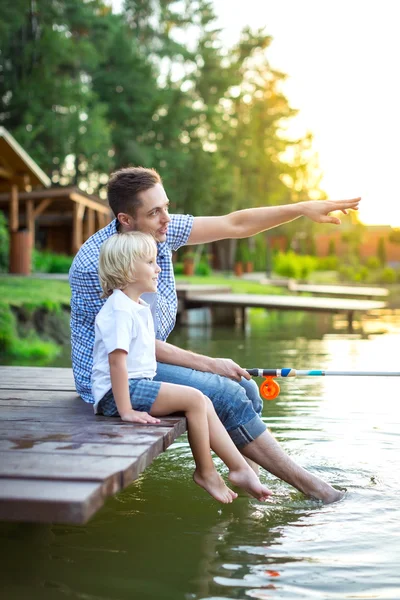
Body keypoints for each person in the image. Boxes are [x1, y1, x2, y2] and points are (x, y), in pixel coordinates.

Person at [70, 166, 360, 503]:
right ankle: (314, 488)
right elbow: (127, 349)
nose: (166, 218)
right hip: (117, 375)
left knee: (246, 387)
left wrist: (301, 208)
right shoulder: (97, 264)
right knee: (225, 393)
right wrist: (209, 364)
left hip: (145, 357)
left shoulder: (159, 228)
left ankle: (250, 481)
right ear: (126, 219)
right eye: (155, 212)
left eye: (166, 206)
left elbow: (235, 224)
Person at [93, 230, 272, 504]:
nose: (158, 268)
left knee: (202, 400)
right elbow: (116, 362)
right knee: (194, 399)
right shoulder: (119, 310)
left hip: (137, 385)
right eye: (151, 262)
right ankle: (206, 472)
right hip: (118, 394)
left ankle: (240, 468)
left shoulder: (135, 305)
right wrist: (126, 409)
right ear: (128, 269)